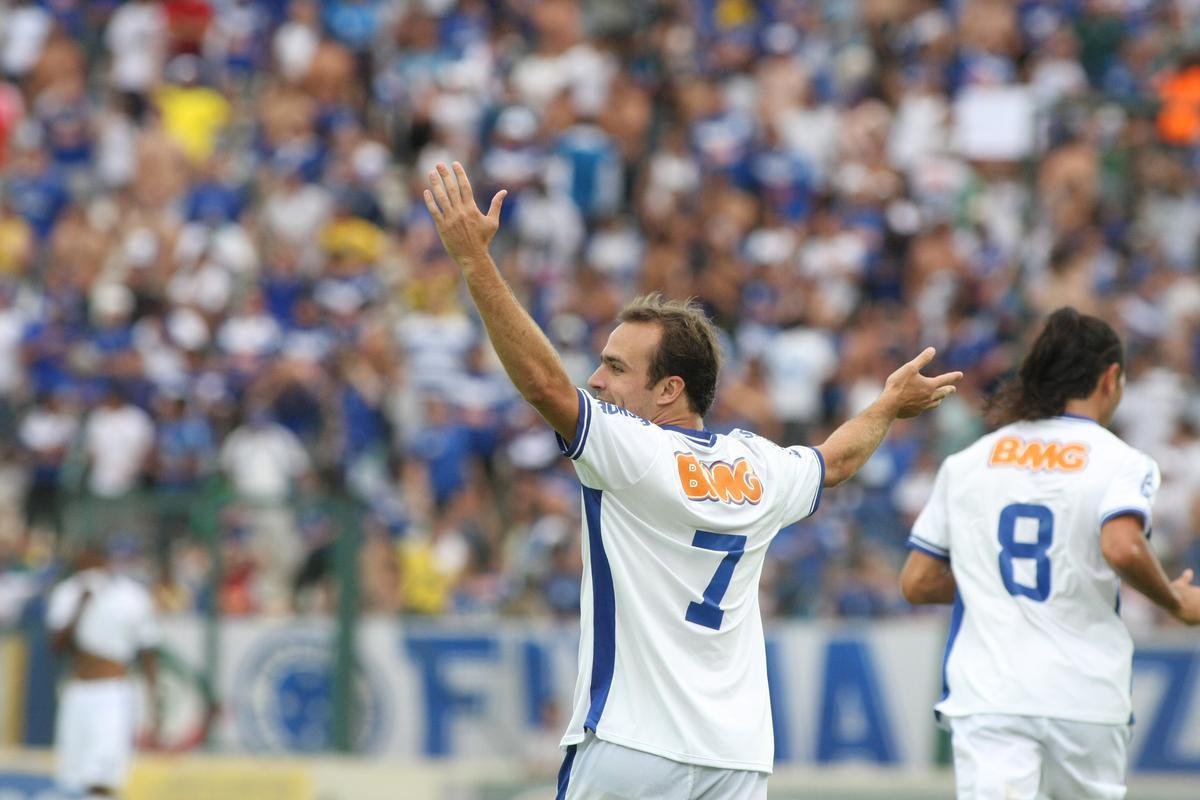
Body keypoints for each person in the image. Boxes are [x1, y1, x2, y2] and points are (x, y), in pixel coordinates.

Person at [422, 161, 962, 799]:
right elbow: (834, 461)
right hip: (734, 757)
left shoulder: (633, 451)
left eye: (615, 367)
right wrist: (887, 406)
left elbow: (542, 384)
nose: (596, 381)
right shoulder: (757, 466)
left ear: (669, 390)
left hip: (631, 743)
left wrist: (472, 262)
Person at [900, 307, 1200, 800]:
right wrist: (1173, 600)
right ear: (1110, 379)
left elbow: (917, 582)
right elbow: (1122, 547)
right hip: (1084, 695)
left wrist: (989, 579)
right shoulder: (1121, 461)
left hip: (990, 695)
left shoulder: (969, 462)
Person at [46, 541, 161, 799]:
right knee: (73, 775)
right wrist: (80, 606)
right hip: (77, 690)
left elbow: (148, 653)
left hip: (112, 692)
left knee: (104, 775)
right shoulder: (67, 593)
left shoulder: (131, 596)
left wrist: (155, 704)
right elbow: (55, 646)